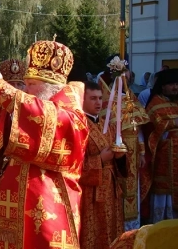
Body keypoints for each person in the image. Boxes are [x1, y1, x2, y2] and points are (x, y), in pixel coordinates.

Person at [0, 40, 89, 248]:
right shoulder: (23, 110)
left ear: (50, 87)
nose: (25, 89)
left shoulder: (72, 116)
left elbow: (43, 117)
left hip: (46, 219)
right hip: (6, 213)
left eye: (31, 84)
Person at [99, 70, 149, 231]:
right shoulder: (107, 101)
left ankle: (132, 227)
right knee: (119, 186)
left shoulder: (131, 100)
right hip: (116, 148)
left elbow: (138, 130)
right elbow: (105, 127)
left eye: (127, 79)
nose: (124, 82)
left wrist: (141, 152)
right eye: (121, 78)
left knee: (132, 187)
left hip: (133, 149)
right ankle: (117, 225)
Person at [79, 81, 127, 248]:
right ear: (82, 100)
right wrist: (99, 159)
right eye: (93, 98)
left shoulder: (108, 125)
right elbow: (73, 164)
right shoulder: (78, 125)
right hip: (90, 193)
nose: (98, 102)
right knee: (93, 232)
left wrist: (120, 155)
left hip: (110, 189)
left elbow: (119, 160)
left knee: (112, 229)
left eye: (100, 98)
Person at [145, 68, 178, 223]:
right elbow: (151, 128)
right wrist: (173, 123)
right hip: (164, 156)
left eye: (177, 84)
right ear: (163, 86)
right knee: (164, 193)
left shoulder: (175, 102)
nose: (175, 87)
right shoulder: (155, 103)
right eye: (171, 84)